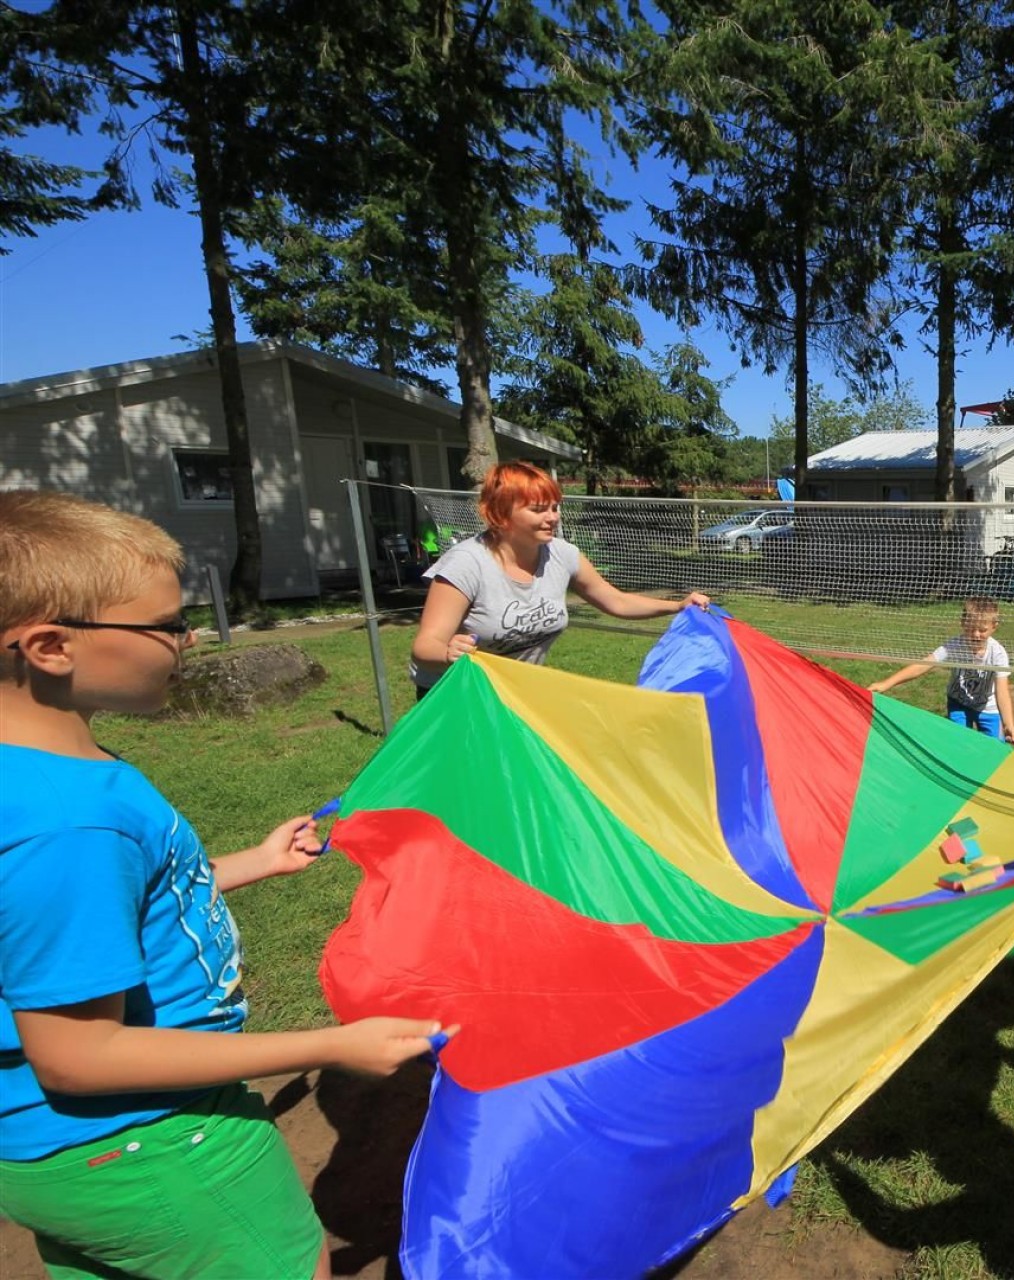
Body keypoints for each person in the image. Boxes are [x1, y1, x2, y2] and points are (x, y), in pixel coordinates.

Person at [0, 491, 448, 1279]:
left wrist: (249, 863)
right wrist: (332, 1046)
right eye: (166, 625)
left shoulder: (45, 775)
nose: (189, 637)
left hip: (64, 1153)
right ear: (49, 645)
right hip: (157, 1142)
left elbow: (111, 905)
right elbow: (78, 1054)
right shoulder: (69, 823)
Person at [409, 461, 711, 696]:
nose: (553, 517)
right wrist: (447, 652)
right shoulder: (466, 564)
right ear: (501, 513)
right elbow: (424, 648)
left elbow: (615, 601)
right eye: (539, 509)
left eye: (555, 507)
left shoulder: (562, 554)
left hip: (516, 692)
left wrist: (677, 606)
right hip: (453, 694)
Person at [868, 596, 1014, 744]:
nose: (976, 634)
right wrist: (886, 684)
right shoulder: (955, 645)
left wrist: (1008, 723)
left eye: (982, 630)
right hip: (958, 704)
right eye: (970, 628)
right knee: (958, 742)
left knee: (995, 749)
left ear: (994, 627)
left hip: (987, 708)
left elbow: (1002, 691)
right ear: (962, 623)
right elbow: (924, 664)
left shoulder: (998, 653)